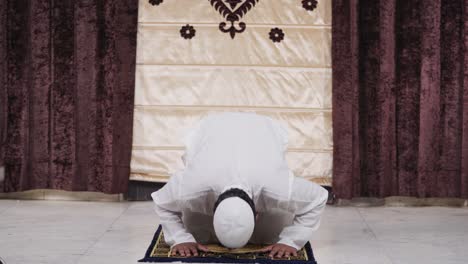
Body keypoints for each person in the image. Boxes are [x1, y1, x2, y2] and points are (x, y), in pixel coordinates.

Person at [151, 112, 328, 259]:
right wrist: (180, 238)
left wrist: (290, 241)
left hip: (263, 127)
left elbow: (318, 197)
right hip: (211, 128)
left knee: (271, 231)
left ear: (258, 214)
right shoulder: (191, 187)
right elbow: (161, 201)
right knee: (195, 227)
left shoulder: (277, 187)